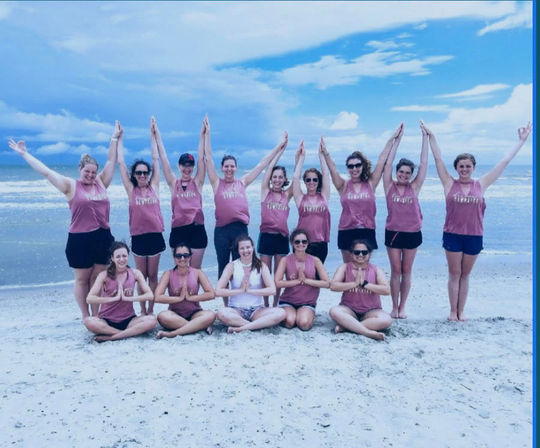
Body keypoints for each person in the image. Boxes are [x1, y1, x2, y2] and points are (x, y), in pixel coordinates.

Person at [8, 122, 119, 319]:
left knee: (98, 278)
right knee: (82, 280)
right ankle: (86, 316)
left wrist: (115, 138)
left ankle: (97, 314)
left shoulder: (101, 182)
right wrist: (24, 154)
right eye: (87, 172)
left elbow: (111, 161)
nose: (91, 175)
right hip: (80, 239)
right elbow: (46, 172)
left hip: (103, 237)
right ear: (80, 169)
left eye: (93, 172)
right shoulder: (70, 186)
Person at [425, 121, 532, 321]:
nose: (464, 169)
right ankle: (452, 312)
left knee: (465, 275)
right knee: (454, 274)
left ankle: (461, 311)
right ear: (456, 168)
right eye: (461, 166)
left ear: (473, 168)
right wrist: (432, 136)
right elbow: (438, 159)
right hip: (452, 234)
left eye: (468, 166)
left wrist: (521, 141)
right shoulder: (449, 183)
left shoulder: (481, 184)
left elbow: (504, 162)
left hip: (474, 235)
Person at [205, 117, 288, 278]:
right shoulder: (216, 183)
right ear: (222, 168)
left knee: (240, 267)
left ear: (236, 168)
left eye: (232, 166)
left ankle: (238, 300)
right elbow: (208, 157)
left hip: (240, 230)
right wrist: (207, 134)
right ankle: (226, 301)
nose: (229, 169)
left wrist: (279, 146)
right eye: (226, 166)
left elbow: (262, 164)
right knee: (223, 267)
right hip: (221, 231)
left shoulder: (243, 183)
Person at [320, 125, 403, 262]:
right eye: (351, 166)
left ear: (363, 166)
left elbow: (382, 160)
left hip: (367, 230)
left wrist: (392, 138)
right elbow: (333, 169)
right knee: (348, 269)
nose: (354, 168)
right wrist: (325, 152)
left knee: (363, 269)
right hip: (347, 230)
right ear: (347, 168)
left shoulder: (370, 183)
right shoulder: (343, 185)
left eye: (357, 165)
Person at [117, 118, 166, 315]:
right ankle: (143, 308)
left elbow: (156, 159)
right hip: (138, 237)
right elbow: (120, 162)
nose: (143, 176)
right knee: (140, 276)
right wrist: (118, 138)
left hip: (155, 235)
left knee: (152, 275)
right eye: (139, 173)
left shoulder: (154, 186)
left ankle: (151, 309)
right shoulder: (131, 190)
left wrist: (152, 134)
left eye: (145, 173)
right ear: (134, 175)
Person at [382, 121, 427, 319]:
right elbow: (387, 163)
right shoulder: (389, 186)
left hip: (412, 233)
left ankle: (403, 307)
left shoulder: (414, 187)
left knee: (407, 270)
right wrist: (396, 139)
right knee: (396, 270)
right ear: (397, 172)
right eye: (401, 172)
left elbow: (424, 164)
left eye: (408, 173)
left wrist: (425, 138)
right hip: (393, 232)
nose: (404, 175)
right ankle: (393, 306)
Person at [156, 116, 208, 269]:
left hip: (197, 229)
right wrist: (157, 134)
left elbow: (201, 157)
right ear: (178, 166)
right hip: (178, 231)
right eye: (184, 165)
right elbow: (163, 158)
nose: (187, 168)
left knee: (195, 271)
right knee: (180, 271)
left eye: (190, 165)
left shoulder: (197, 182)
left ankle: (195, 294)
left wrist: (202, 134)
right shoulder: (173, 183)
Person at [84, 241, 157, 342]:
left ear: (128, 256)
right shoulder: (104, 275)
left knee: (152, 320)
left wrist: (128, 298)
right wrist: (112, 298)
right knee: (88, 321)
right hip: (106, 321)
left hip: (129, 320)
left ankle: (112, 337)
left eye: (124, 256)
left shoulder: (135, 273)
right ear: (112, 258)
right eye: (118, 257)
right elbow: (89, 299)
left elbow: (150, 295)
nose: (122, 259)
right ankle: (125, 334)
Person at [216, 235, 286, 333]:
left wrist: (250, 291)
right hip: (236, 309)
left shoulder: (261, 265)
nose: (246, 251)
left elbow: (272, 290)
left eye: (248, 247)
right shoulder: (232, 266)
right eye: (242, 248)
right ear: (238, 250)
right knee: (221, 313)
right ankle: (254, 325)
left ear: (253, 247)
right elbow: (218, 291)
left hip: (257, 310)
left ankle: (240, 328)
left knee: (281, 312)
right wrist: (240, 290)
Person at [329, 240, 391, 341]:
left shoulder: (376, 270)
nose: (360, 255)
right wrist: (354, 284)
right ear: (351, 254)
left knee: (386, 320)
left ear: (369, 254)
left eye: (364, 252)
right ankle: (367, 332)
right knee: (334, 311)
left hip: (371, 311)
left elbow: (387, 290)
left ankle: (347, 327)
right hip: (349, 309)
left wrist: (365, 284)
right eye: (357, 252)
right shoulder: (344, 268)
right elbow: (333, 286)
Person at [258, 132, 292, 306]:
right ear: (271, 178)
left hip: (282, 238)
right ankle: (265, 305)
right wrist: (280, 149)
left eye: (280, 177)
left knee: (278, 275)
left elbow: (298, 175)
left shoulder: (287, 195)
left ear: (285, 179)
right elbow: (268, 167)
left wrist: (298, 155)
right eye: (275, 177)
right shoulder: (265, 192)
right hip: (266, 237)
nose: (277, 179)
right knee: (265, 273)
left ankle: (275, 304)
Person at [154, 244, 216, 338]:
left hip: (195, 313)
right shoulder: (168, 274)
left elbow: (211, 294)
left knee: (211, 315)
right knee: (162, 316)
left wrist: (191, 298)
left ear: (190, 257)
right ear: (174, 258)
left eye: (186, 255)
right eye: (178, 256)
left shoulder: (197, 272)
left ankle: (172, 334)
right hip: (175, 315)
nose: (182, 258)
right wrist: (179, 298)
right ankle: (198, 326)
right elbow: (157, 297)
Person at [274, 228, 330, 330]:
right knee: (290, 322)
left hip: (308, 302)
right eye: (297, 241)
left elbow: (326, 283)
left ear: (308, 243)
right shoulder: (285, 260)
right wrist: (296, 281)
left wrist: (306, 281)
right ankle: (292, 315)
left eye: (304, 241)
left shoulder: (315, 260)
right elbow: (277, 282)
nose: (301, 244)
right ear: (292, 243)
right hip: (288, 300)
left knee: (304, 324)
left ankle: (302, 314)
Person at [292, 138, 331, 263]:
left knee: (318, 277)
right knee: (302, 274)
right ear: (305, 182)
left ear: (318, 181)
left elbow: (326, 174)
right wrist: (302, 157)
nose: (311, 182)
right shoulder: (300, 198)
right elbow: (295, 178)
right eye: (308, 180)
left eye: (314, 180)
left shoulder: (323, 196)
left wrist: (321, 155)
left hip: (321, 243)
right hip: (302, 243)